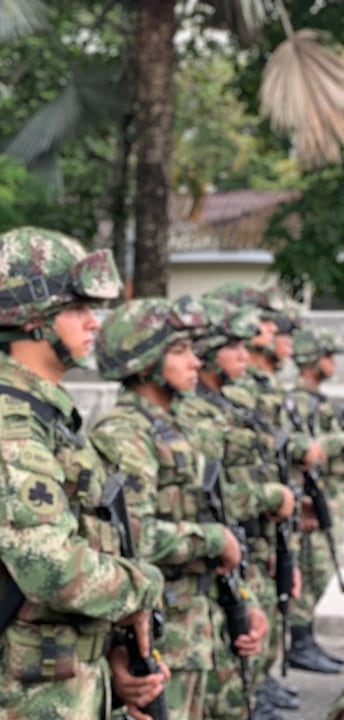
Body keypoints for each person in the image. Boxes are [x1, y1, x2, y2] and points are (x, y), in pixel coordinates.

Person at [0, 227, 166, 720]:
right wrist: (144, 586)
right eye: (77, 310)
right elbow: (52, 571)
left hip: (65, 680)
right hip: (28, 695)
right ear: (34, 320)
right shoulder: (3, 421)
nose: (93, 325)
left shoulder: (44, 413)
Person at [89, 297, 259, 720]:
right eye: (179, 351)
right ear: (144, 360)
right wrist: (213, 540)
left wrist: (245, 597)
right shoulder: (125, 432)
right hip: (160, 631)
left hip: (197, 623)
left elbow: (209, 511)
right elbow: (134, 537)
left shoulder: (177, 425)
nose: (196, 362)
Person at [174, 296, 298, 719]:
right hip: (214, 557)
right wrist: (270, 496)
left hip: (246, 547)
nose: (245, 356)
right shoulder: (193, 413)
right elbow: (213, 494)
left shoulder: (228, 404)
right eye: (233, 347)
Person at [284, 326, 344, 670]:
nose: (331, 362)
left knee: (319, 573)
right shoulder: (301, 402)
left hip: (330, 497)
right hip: (314, 499)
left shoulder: (318, 401)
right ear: (310, 361)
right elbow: (309, 451)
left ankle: (307, 640)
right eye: (326, 355)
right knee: (312, 571)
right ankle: (300, 642)